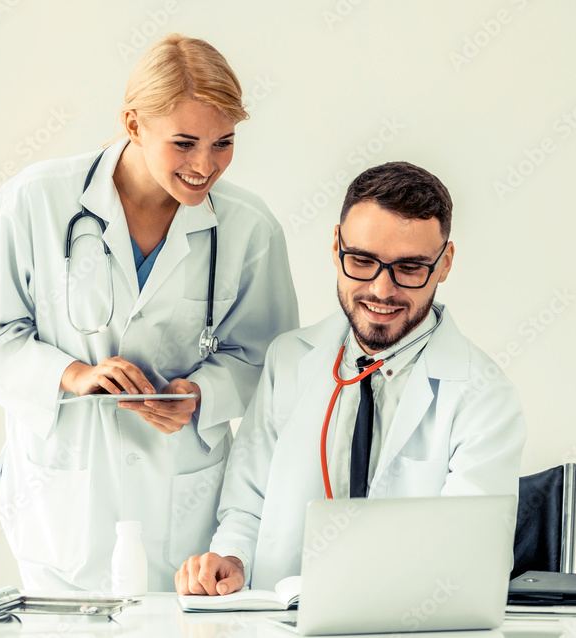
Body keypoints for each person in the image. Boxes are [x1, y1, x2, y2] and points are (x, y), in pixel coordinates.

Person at [0, 34, 298, 591]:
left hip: (184, 505)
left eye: (223, 142)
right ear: (133, 124)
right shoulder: (36, 201)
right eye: (184, 143)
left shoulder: (249, 228)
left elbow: (271, 361)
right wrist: (71, 374)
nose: (206, 166)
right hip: (63, 499)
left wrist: (201, 395)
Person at [175, 161, 526, 595]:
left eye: (411, 268)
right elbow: (246, 508)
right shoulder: (289, 359)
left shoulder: (483, 396)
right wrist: (231, 559)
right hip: (283, 622)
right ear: (337, 244)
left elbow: (468, 553)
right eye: (361, 260)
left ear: (445, 262)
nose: (381, 290)